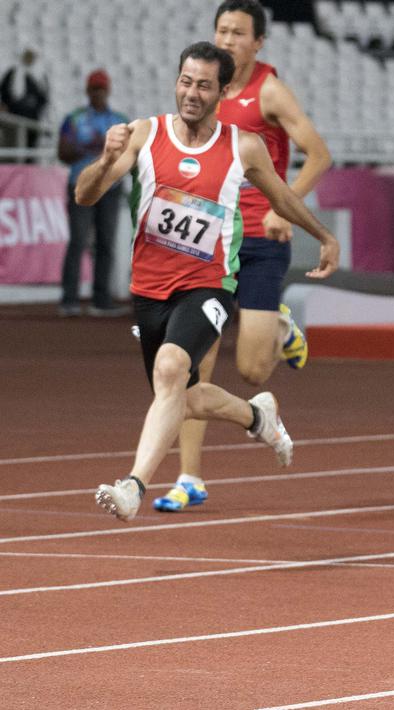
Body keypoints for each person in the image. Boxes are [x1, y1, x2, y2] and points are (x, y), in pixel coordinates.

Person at [80, 42, 339, 522]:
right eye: (185, 81)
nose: (191, 93)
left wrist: (323, 236)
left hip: (210, 283)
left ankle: (134, 485)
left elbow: (282, 198)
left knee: (171, 370)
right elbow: (85, 195)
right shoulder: (143, 134)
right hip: (149, 289)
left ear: (222, 90)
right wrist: (103, 160)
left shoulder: (243, 146)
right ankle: (258, 417)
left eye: (203, 85)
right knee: (182, 397)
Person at [154, 0, 334, 514]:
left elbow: (319, 154)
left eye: (238, 33)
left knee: (254, 372)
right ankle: (188, 477)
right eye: (221, 30)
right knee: (193, 365)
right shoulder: (203, 89)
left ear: (258, 43)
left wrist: (285, 206)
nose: (228, 40)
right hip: (208, 245)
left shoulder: (269, 91)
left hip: (259, 238)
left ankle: (280, 330)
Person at [58, 70, 129, 317]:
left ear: (107, 90)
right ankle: (69, 300)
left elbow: (129, 154)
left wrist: (103, 150)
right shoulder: (74, 119)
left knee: (106, 244)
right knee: (78, 241)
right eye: (94, 89)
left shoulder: (120, 120)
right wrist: (92, 147)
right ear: (88, 91)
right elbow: (62, 153)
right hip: (81, 185)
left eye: (101, 88)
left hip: (110, 188)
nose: (98, 93)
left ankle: (101, 300)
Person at [1, 48, 49, 156]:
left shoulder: (40, 75)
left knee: (30, 150)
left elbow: (44, 98)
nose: (29, 58)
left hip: (32, 120)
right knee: (13, 149)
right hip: (14, 120)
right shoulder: (13, 73)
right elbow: (4, 92)